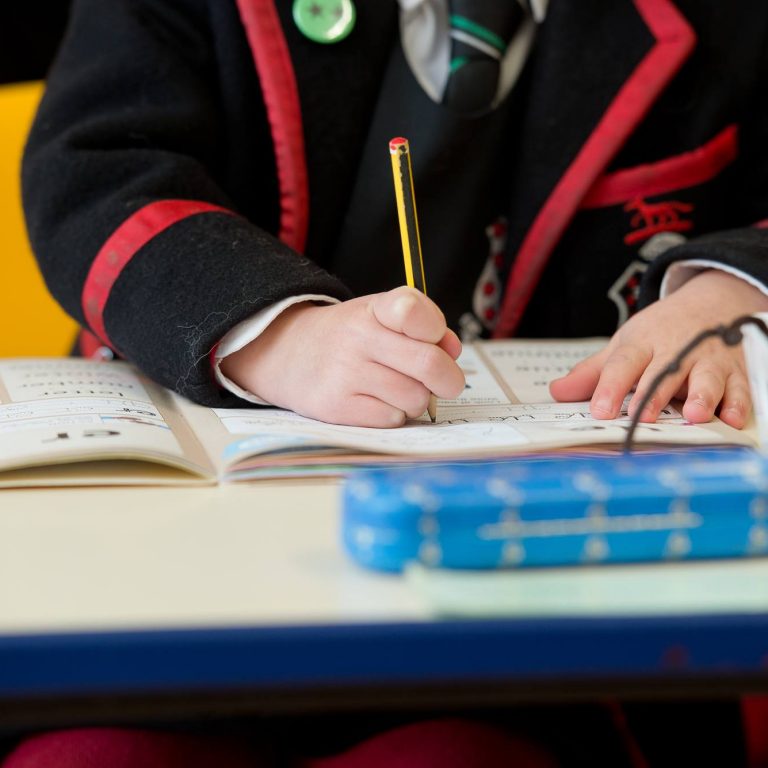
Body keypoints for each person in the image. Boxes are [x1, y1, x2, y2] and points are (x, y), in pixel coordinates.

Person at [13, 0, 768, 764]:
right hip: (162, 581)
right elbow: (96, 165)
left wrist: (733, 286)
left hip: (527, 627)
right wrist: (275, 332)